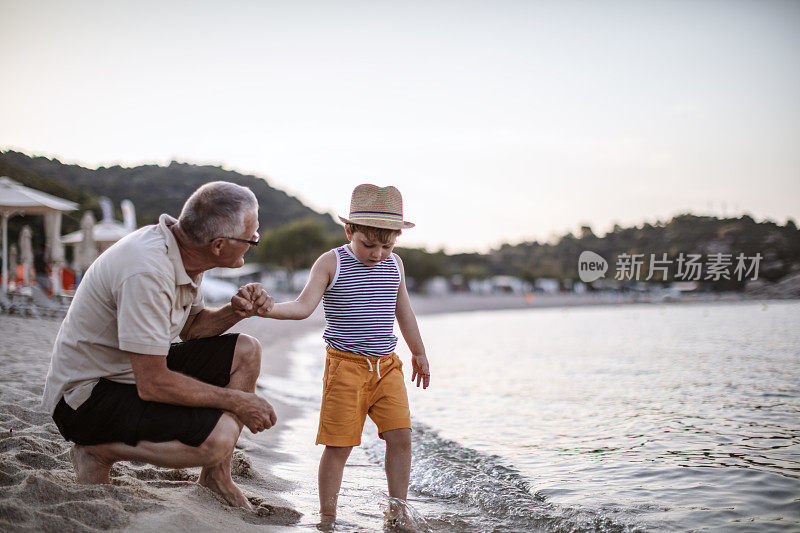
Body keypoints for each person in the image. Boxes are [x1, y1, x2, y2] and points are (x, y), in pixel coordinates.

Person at [41, 181, 276, 509]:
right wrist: (238, 401)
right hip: (85, 397)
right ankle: (95, 450)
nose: (254, 241)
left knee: (246, 350)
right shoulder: (148, 270)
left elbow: (192, 329)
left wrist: (235, 311)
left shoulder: (186, 254)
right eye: (252, 236)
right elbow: (153, 383)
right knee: (216, 441)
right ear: (219, 245)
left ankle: (216, 477)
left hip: (130, 373)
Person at [240, 183, 431, 525]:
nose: (377, 254)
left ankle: (397, 511)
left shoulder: (395, 265)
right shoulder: (332, 262)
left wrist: (419, 353)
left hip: (388, 367)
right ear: (349, 230)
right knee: (340, 445)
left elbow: (404, 312)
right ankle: (328, 516)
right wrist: (265, 310)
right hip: (345, 368)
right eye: (369, 245)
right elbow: (302, 307)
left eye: (387, 245)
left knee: (401, 436)